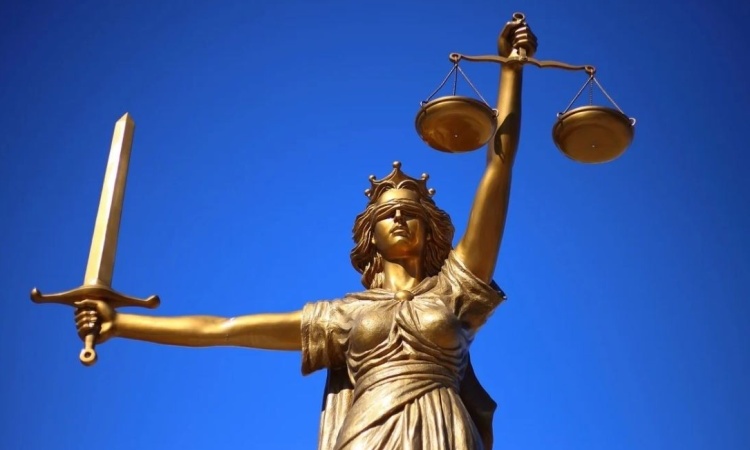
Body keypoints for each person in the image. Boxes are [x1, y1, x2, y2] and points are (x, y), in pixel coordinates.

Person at [75, 18, 536, 450]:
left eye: (410, 214)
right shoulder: (341, 316)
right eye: (387, 215)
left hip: (443, 429)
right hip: (367, 432)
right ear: (370, 237)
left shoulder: (455, 290)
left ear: (430, 229)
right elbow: (225, 329)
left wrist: (510, 73)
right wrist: (121, 324)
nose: (399, 219)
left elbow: (498, 170)